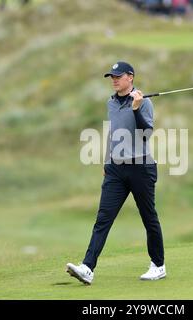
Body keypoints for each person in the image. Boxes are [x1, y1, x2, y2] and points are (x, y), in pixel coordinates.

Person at [66, 61, 166, 285]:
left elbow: (146, 133)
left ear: (130, 77)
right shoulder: (110, 103)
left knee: (148, 217)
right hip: (115, 169)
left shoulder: (144, 102)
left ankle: (158, 266)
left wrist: (137, 108)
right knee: (103, 218)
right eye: (112, 76)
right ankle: (87, 268)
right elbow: (113, 134)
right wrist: (106, 161)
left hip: (141, 167)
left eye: (118, 76)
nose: (114, 80)